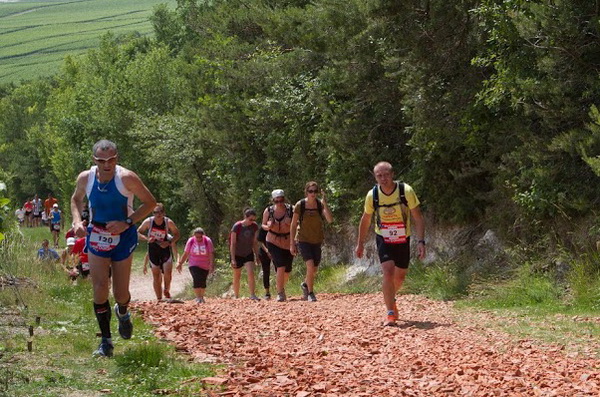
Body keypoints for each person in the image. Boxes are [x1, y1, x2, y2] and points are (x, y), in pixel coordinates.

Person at [71, 139, 156, 358]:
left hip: (123, 236)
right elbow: (76, 199)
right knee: (99, 286)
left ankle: (123, 311)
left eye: (111, 160)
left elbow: (150, 203)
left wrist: (127, 222)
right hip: (97, 234)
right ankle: (106, 342)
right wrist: (77, 221)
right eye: (101, 161)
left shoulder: (127, 177)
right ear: (94, 160)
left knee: (120, 292)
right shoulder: (85, 178)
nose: (107, 165)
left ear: (117, 158)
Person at [355, 161, 426, 326]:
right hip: (383, 237)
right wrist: (360, 243)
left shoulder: (405, 191)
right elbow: (366, 219)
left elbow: (418, 217)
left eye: (386, 175)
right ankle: (390, 313)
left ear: (392, 174)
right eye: (379, 176)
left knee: (400, 276)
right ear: (375, 177)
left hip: (403, 238)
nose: (383, 179)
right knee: (388, 271)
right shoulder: (372, 195)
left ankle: (391, 297)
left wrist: (421, 241)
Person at [290, 182, 333, 302]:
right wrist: (292, 243)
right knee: (309, 265)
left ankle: (305, 285)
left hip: (317, 239)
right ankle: (310, 293)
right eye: (310, 191)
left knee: (314, 269)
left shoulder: (319, 205)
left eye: (315, 191)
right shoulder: (301, 205)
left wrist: (325, 204)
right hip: (303, 239)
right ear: (306, 192)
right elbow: (293, 225)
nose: (313, 194)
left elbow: (329, 220)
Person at [137, 203, 180, 301]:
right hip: (153, 249)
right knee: (156, 275)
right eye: (155, 212)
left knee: (168, 272)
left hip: (165, 249)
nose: (158, 214)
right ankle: (159, 299)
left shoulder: (168, 222)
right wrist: (147, 238)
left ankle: (166, 289)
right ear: (153, 213)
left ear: (164, 212)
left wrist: (169, 242)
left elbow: (177, 234)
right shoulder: (148, 222)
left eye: (160, 212)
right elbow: (138, 232)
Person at [261, 189, 294, 302]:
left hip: (288, 241)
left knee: (288, 270)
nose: (279, 203)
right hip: (273, 241)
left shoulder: (291, 209)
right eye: (277, 201)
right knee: (280, 266)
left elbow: (297, 224)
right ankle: (280, 292)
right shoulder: (268, 211)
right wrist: (268, 226)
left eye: (281, 200)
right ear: (273, 200)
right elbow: (263, 225)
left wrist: (292, 225)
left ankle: (280, 287)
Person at [177, 227, 215, 303]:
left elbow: (211, 253)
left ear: (203, 235)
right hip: (193, 264)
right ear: (194, 236)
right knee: (196, 278)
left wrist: (211, 264)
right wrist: (180, 263)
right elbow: (186, 253)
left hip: (205, 264)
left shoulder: (207, 241)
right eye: (197, 237)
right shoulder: (191, 241)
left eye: (200, 237)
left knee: (203, 280)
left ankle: (201, 296)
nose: (198, 239)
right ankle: (198, 297)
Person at [229, 208, 260, 300]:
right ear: (245, 217)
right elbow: (233, 243)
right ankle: (236, 295)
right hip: (237, 253)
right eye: (250, 219)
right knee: (237, 275)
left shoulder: (254, 227)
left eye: (254, 220)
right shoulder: (237, 226)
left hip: (248, 252)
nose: (252, 221)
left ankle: (252, 294)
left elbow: (254, 242)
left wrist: (257, 255)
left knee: (250, 273)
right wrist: (233, 258)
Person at [257, 227, 273, 299]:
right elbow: (260, 241)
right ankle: (267, 292)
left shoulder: (277, 226)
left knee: (280, 269)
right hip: (264, 252)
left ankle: (280, 289)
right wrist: (267, 251)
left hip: (276, 251)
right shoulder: (263, 228)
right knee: (266, 271)